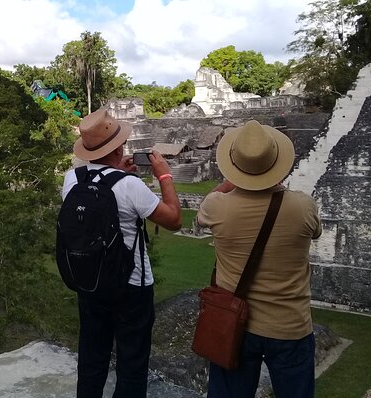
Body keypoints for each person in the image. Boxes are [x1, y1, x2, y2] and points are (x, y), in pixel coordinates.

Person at [196, 120, 322, 398]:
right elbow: (315, 232)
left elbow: (204, 209)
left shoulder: (218, 207)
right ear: (277, 163)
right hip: (290, 324)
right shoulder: (303, 206)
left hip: (235, 323)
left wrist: (233, 181)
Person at [62, 109, 182, 398]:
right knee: (132, 361)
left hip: (90, 279)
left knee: (92, 355)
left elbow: (102, 190)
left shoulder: (72, 179)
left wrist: (118, 173)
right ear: (119, 147)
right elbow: (174, 220)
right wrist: (164, 174)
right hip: (131, 285)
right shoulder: (130, 185)